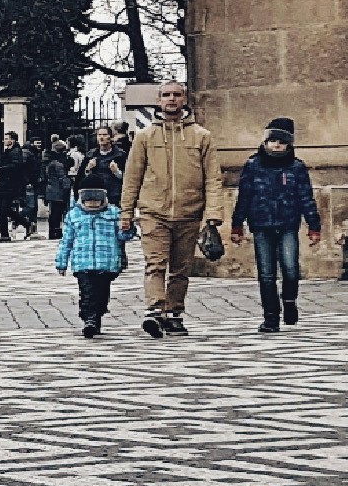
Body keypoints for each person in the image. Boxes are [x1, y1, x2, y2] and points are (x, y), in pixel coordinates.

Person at [118, 81, 215, 339]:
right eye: (166, 95)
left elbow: (212, 178)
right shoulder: (145, 136)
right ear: (158, 100)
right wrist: (126, 212)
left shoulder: (201, 136)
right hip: (154, 211)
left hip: (189, 211)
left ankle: (174, 313)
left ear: (184, 99)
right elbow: (132, 176)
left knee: (181, 269)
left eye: (177, 95)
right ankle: (154, 310)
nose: (171, 99)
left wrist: (213, 215)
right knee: (155, 264)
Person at [230, 117, 322, 333]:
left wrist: (313, 224)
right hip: (261, 224)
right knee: (266, 273)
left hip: (288, 223)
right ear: (265, 142)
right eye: (272, 140)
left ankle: (289, 301)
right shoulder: (253, 165)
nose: (277, 145)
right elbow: (244, 196)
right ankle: (271, 317)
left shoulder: (296, 167)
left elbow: (306, 197)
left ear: (289, 144)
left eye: (282, 141)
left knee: (290, 269)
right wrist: (237, 224)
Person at [56, 180, 127, 339]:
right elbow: (66, 240)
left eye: (97, 199)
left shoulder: (114, 213)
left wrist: (128, 227)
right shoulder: (74, 215)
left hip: (107, 262)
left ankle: (97, 316)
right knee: (87, 292)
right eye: (89, 199)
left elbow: (123, 236)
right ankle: (89, 319)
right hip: (83, 263)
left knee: (102, 293)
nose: (93, 203)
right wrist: (61, 262)